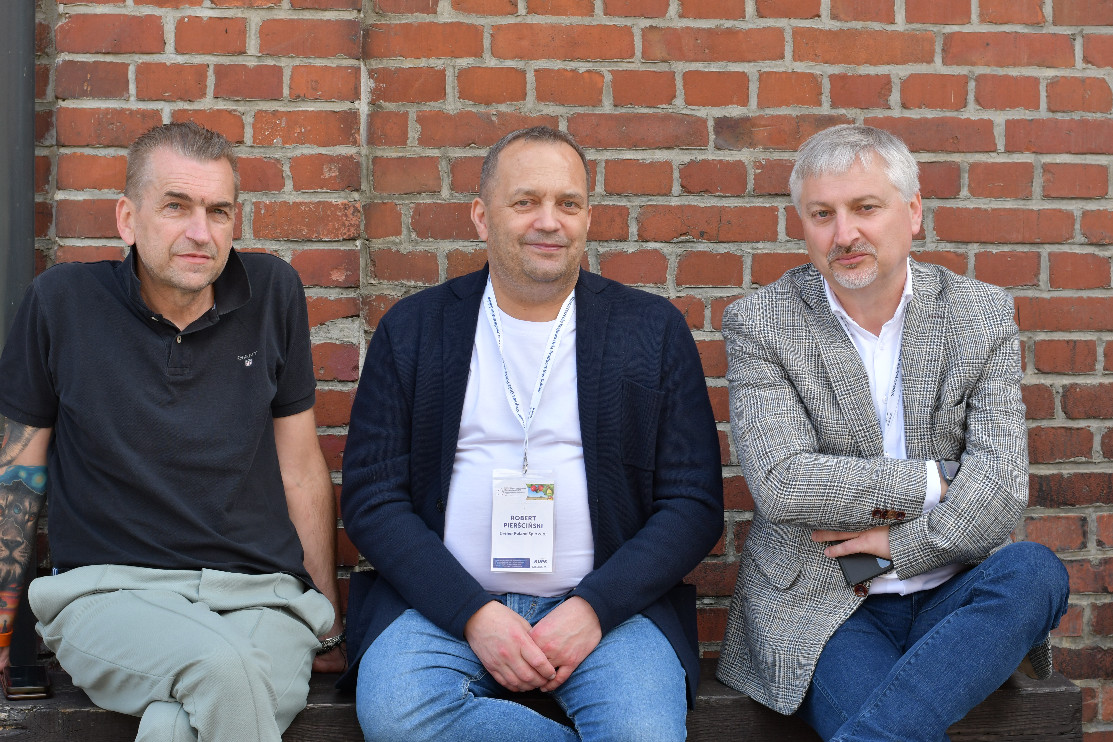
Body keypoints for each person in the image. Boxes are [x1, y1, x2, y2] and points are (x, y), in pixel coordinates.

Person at [340, 126, 724, 741]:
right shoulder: (414, 329)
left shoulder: (650, 331)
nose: (550, 221)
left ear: (588, 218)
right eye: (526, 202)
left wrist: (593, 608)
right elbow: (372, 498)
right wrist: (472, 613)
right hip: (444, 610)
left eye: (568, 203)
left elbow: (694, 504)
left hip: (606, 614)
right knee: (397, 713)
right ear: (481, 217)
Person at [716, 124, 1070, 741]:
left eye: (865, 208)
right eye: (822, 214)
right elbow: (782, 483)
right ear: (802, 224)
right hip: (820, 605)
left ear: (913, 212)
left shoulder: (978, 314)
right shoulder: (762, 322)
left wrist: (894, 547)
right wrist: (937, 482)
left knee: (1035, 573)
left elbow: (1001, 492)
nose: (843, 234)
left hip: (952, 593)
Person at [0, 121, 345, 742]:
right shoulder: (62, 303)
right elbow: (17, 474)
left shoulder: (273, 293)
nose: (200, 232)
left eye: (219, 211)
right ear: (127, 219)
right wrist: (1, 629)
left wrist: (327, 623)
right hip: (109, 596)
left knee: (178, 724)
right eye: (176, 207)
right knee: (223, 669)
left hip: (262, 599)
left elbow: (299, 469)